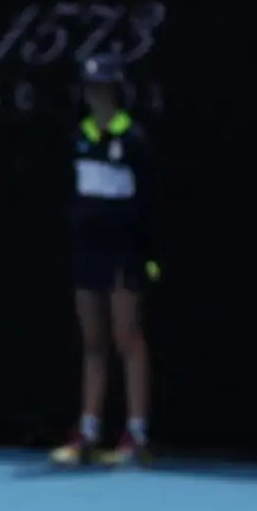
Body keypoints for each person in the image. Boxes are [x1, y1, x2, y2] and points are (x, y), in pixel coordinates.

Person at [50, 55, 161, 468]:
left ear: (115, 91)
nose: (96, 94)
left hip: (125, 252)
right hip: (88, 252)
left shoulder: (133, 139)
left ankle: (137, 434)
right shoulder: (78, 137)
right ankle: (88, 432)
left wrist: (150, 256)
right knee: (93, 342)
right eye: (91, 88)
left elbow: (149, 202)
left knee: (127, 337)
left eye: (103, 87)